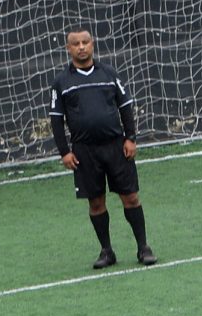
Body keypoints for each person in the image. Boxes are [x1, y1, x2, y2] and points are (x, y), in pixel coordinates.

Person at [48, 28, 152, 268]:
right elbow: (56, 119)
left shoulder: (109, 73)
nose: (81, 47)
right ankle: (107, 251)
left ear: (93, 44)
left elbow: (125, 106)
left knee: (131, 197)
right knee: (96, 203)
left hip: (116, 147)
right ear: (68, 48)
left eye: (85, 42)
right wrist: (65, 152)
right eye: (76, 44)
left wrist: (131, 138)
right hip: (84, 152)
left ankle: (143, 247)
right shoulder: (61, 82)